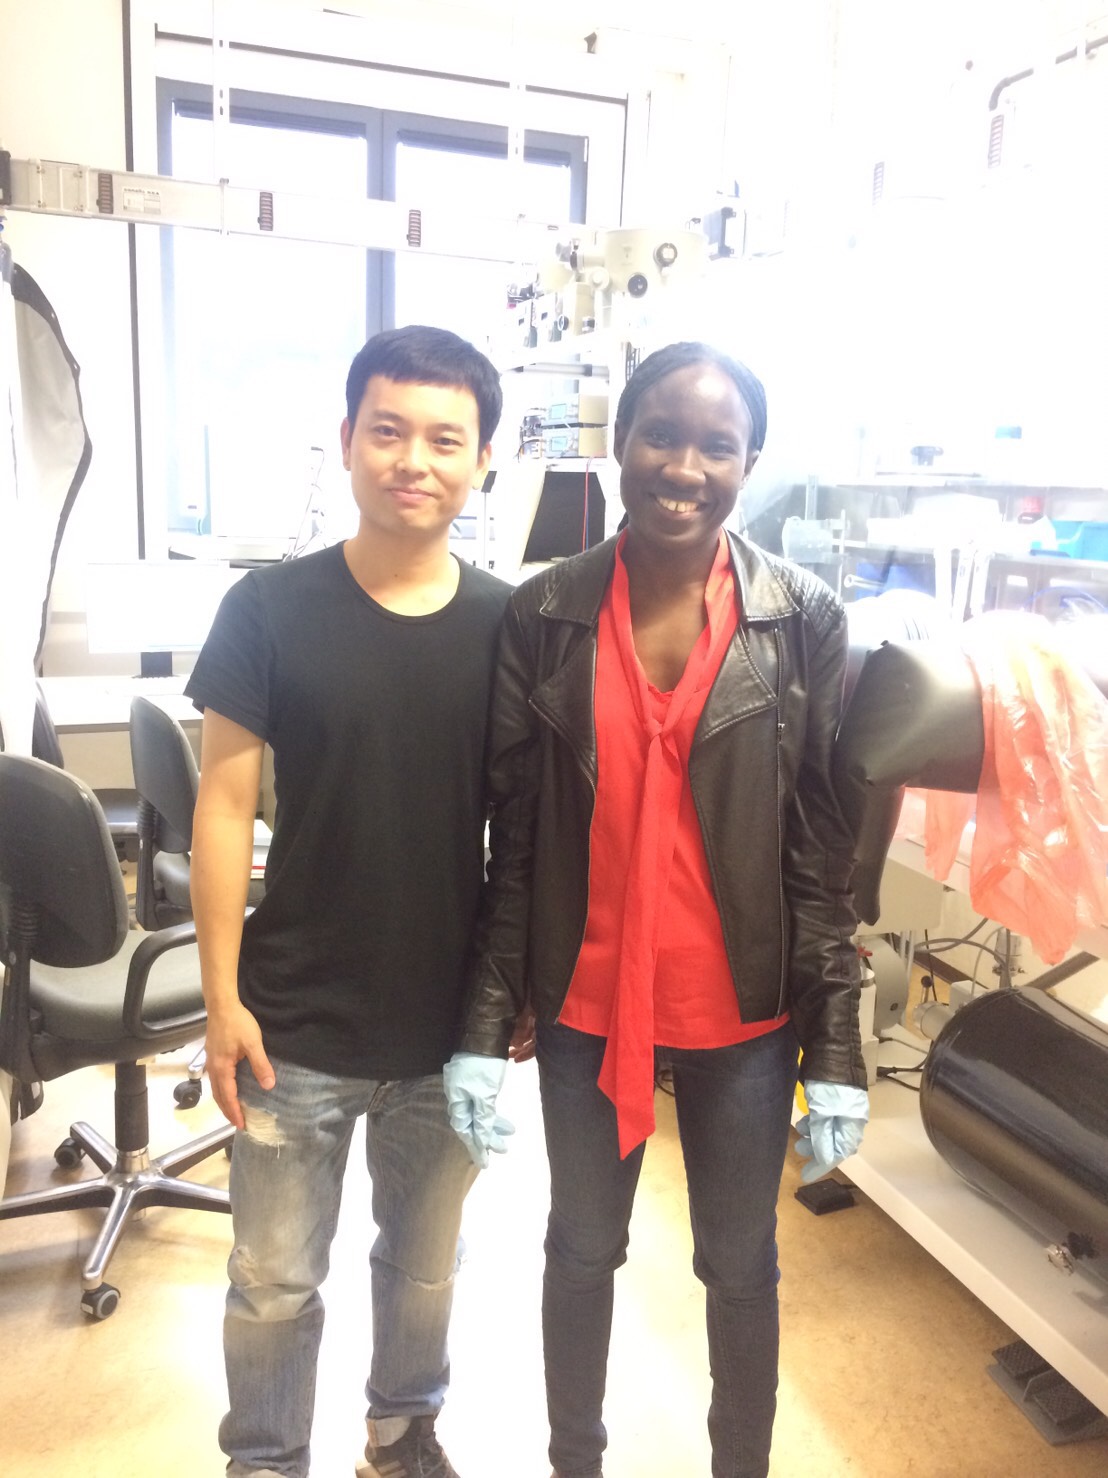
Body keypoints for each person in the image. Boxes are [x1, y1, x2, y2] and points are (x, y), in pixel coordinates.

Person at [444, 341, 869, 1478]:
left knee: (739, 1263)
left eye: (717, 446)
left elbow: (820, 853)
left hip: (743, 1011)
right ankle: (573, 1462)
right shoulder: (545, 611)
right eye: (661, 436)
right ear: (620, 443)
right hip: (584, 1006)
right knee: (582, 1249)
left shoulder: (802, 617)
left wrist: (837, 1049)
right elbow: (515, 837)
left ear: (750, 464)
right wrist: (484, 1025)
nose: (685, 467)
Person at [187, 325, 512, 1478]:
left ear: (483, 460)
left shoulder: (511, 627)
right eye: (388, 430)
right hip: (293, 1018)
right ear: (346, 440)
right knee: (274, 1278)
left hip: (447, 1024)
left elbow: (531, 832)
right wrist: (220, 997)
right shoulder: (268, 608)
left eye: (444, 439)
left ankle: (402, 1428)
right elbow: (222, 808)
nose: (413, 459)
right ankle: (266, 1456)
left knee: (424, 1265)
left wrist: (513, 994)